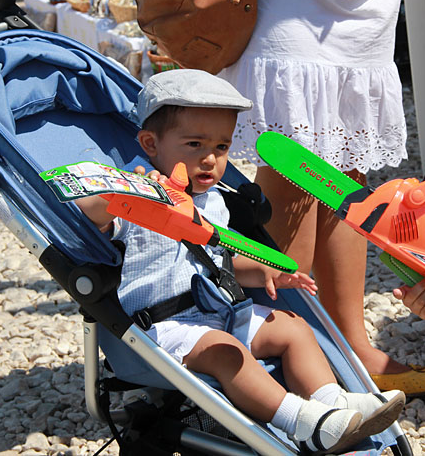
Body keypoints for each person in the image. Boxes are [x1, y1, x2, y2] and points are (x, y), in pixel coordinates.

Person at [2, 0, 425, 396]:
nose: (210, 158)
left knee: (345, 172)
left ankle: (348, 344)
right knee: (294, 179)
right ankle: (295, 352)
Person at [77, 69, 407, 455]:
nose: (210, 159)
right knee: (226, 351)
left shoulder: (215, 201)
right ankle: (302, 423)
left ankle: (332, 404)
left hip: (217, 310)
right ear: (151, 143)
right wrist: (125, 192)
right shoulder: (141, 200)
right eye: (195, 144)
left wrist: (265, 271)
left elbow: (223, 261)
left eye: (221, 147)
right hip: (166, 327)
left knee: (293, 328)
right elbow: (90, 214)